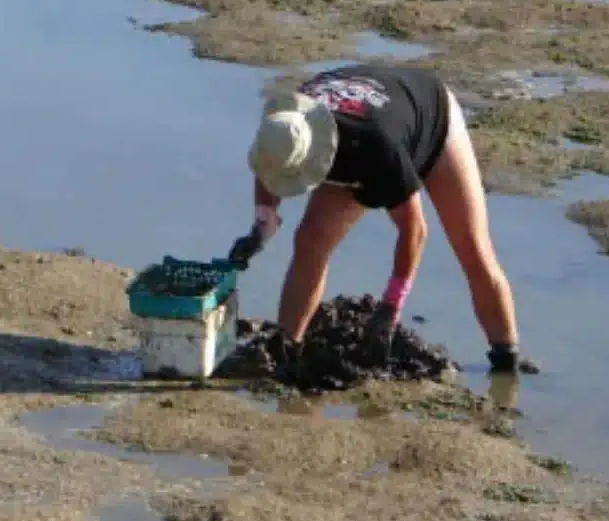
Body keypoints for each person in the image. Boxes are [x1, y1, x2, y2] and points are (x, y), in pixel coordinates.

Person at [227, 64, 539, 375]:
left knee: (472, 248)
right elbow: (268, 171)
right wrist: (261, 227)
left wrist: (390, 306)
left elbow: (414, 229)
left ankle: (505, 359)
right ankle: (286, 349)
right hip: (365, 115)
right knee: (310, 240)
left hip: (429, 115)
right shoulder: (283, 126)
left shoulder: (378, 149)